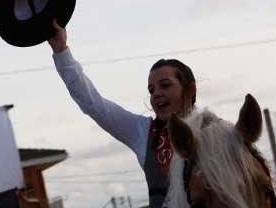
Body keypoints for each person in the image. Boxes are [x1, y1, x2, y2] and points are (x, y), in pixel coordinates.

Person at [49, 20, 197, 208]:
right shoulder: (143, 131)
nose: (156, 93)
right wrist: (60, 49)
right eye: (151, 90)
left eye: (165, 85)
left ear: (189, 90)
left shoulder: (217, 132)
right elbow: (93, 103)